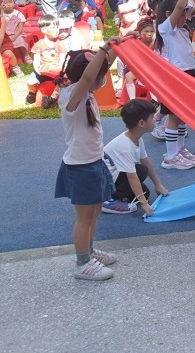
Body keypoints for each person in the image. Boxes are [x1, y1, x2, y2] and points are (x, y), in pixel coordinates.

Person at [54, 47, 120, 281]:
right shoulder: (72, 97)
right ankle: (82, 263)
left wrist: (115, 48)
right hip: (80, 167)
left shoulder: (86, 93)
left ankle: (89, 252)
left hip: (94, 162)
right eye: (101, 75)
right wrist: (103, 50)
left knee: (95, 212)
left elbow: (97, 70)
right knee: (84, 217)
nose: (103, 80)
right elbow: (89, 76)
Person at [153, 0, 195, 169]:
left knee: (183, 115)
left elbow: (189, 3)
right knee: (174, 117)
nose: (186, 15)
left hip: (188, 74)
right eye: (183, 13)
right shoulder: (167, 29)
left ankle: (180, 149)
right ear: (170, 14)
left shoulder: (182, 29)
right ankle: (171, 156)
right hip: (175, 76)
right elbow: (181, 6)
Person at [101, 99, 170, 216]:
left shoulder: (137, 138)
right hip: (103, 185)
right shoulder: (124, 145)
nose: (154, 120)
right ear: (142, 123)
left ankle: (120, 196)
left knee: (144, 193)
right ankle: (107, 201)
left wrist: (157, 184)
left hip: (112, 178)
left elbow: (146, 161)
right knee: (140, 171)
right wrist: (143, 203)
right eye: (152, 118)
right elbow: (132, 176)